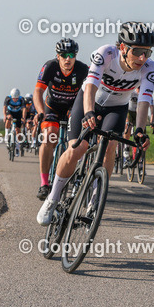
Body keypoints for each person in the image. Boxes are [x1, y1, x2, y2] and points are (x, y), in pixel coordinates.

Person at [37, 23, 154, 225]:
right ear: (123, 48)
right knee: (77, 148)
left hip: (117, 108)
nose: (142, 58)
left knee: (110, 145)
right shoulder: (106, 54)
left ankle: (94, 200)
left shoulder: (149, 67)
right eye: (137, 52)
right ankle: (52, 198)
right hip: (88, 101)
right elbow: (90, 86)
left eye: (147, 52)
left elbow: (144, 99)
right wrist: (89, 112)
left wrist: (140, 130)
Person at [33, 39, 90, 200]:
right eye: (64, 55)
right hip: (53, 106)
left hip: (73, 107)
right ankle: (44, 183)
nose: (68, 59)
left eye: (71, 55)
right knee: (50, 136)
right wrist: (39, 112)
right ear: (58, 56)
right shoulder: (50, 66)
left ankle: (74, 173)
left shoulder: (82, 69)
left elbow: (92, 91)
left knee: (77, 142)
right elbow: (38, 92)